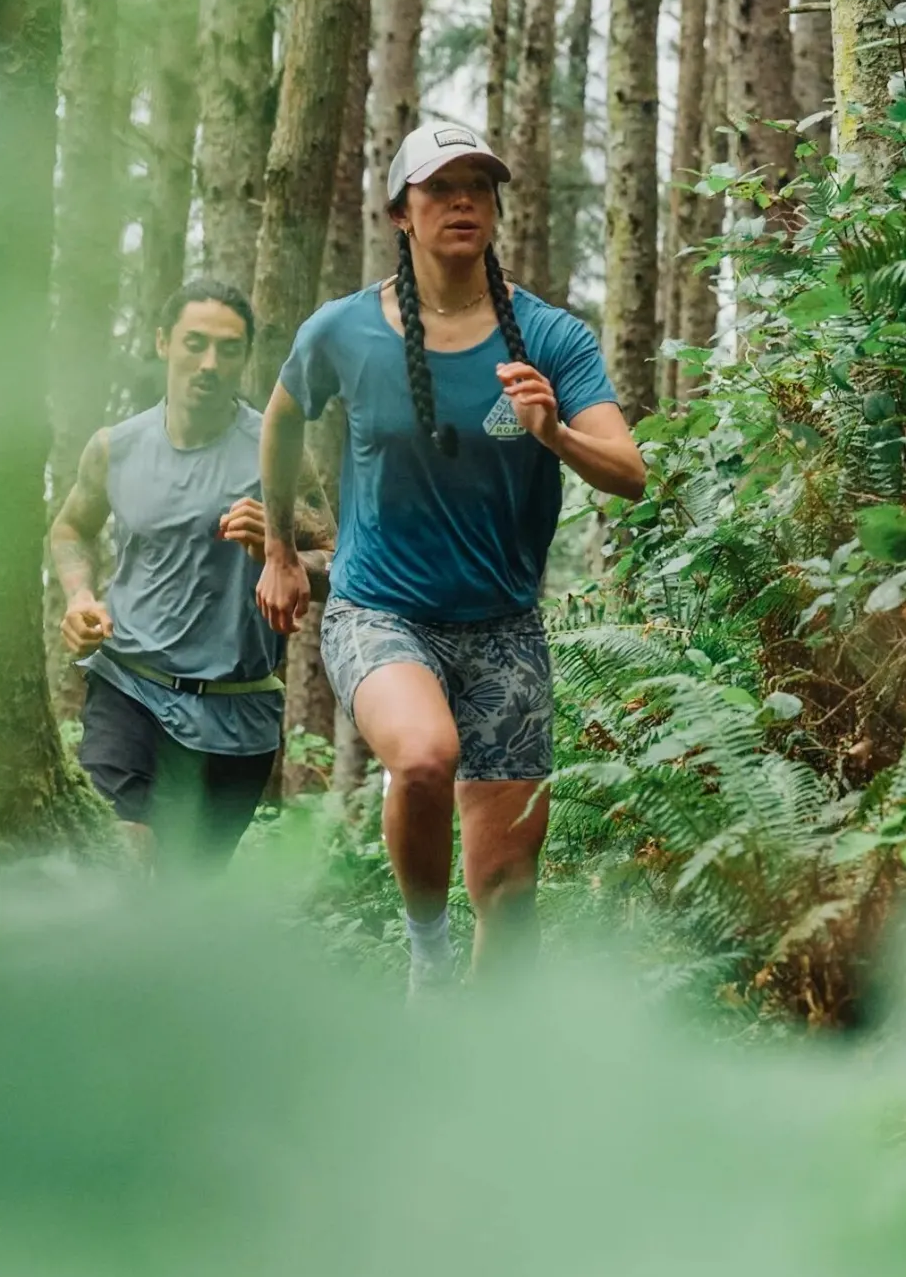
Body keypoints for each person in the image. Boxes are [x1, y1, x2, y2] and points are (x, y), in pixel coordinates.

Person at [255, 122, 646, 992]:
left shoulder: (549, 337)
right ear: (401, 212)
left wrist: (555, 434)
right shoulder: (343, 331)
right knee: (425, 756)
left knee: (508, 894)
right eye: (439, 187)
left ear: (496, 209)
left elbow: (629, 473)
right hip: (380, 610)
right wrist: (280, 549)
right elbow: (281, 420)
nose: (462, 200)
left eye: (479, 185)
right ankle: (426, 958)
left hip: (503, 628)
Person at [51, 279, 334, 869]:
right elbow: (71, 528)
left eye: (228, 349)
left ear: (245, 356)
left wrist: (279, 550)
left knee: (185, 892)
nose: (209, 363)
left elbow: (336, 563)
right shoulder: (115, 447)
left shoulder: (277, 452)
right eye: (194, 343)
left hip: (237, 711)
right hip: (129, 685)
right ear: (164, 343)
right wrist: (79, 596)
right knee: (121, 858)